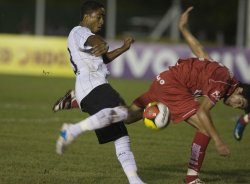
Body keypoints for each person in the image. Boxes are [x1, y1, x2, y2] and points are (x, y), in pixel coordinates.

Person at [54, 7, 250, 184]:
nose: (236, 106)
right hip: (175, 87)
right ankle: (191, 177)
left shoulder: (223, 73)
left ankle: (75, 101)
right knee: (206, 129)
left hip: (165, 80)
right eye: (240, 103)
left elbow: (199, 51)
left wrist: (183, 29)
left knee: (127, 117)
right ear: (240, 90)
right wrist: (219, 141)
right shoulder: (224, 83)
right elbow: (205, 112)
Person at [55, 1, 145, 184]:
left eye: (103, 16)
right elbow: (94, 41)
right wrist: (101, 42)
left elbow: (104, 57)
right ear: (87, 17)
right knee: (126, 114)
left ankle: (134, 180)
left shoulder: (87, 35)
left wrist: (123, 48)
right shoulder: (79, 31)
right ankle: (71, 130)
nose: (102, 20)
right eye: (99, 16)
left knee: (121, 135)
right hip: (93, 86)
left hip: (90, 88)